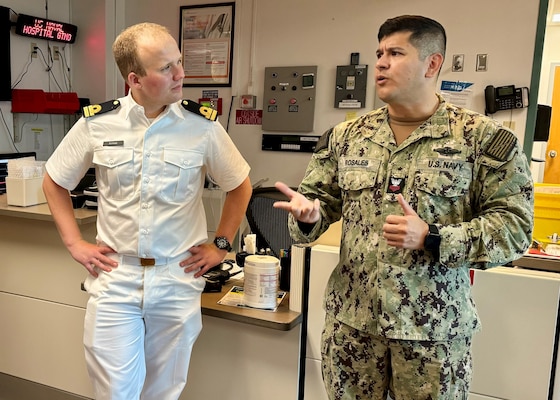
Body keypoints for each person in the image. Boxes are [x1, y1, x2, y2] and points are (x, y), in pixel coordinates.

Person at [274, 15, 533, 400]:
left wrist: (434, 237)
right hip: (353, 328)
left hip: (432, 336)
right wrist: (311, 216)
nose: (380, 62)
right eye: (379, 53)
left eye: (395, 53)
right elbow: (317, 203)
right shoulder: (347, 137)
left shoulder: (482, 139)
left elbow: (514, 230)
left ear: (432, 63)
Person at [42, 22, 252, 400]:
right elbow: (54, 180)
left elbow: (239, 185)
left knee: (163, 392)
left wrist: (220, 244)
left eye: (180, 62)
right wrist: (75, 243)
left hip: (175, 278)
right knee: (115, 392)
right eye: (166, 68)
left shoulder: (200, 126)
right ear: (134, 79)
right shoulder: (97, 123)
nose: (181, 74)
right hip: (116, 277)